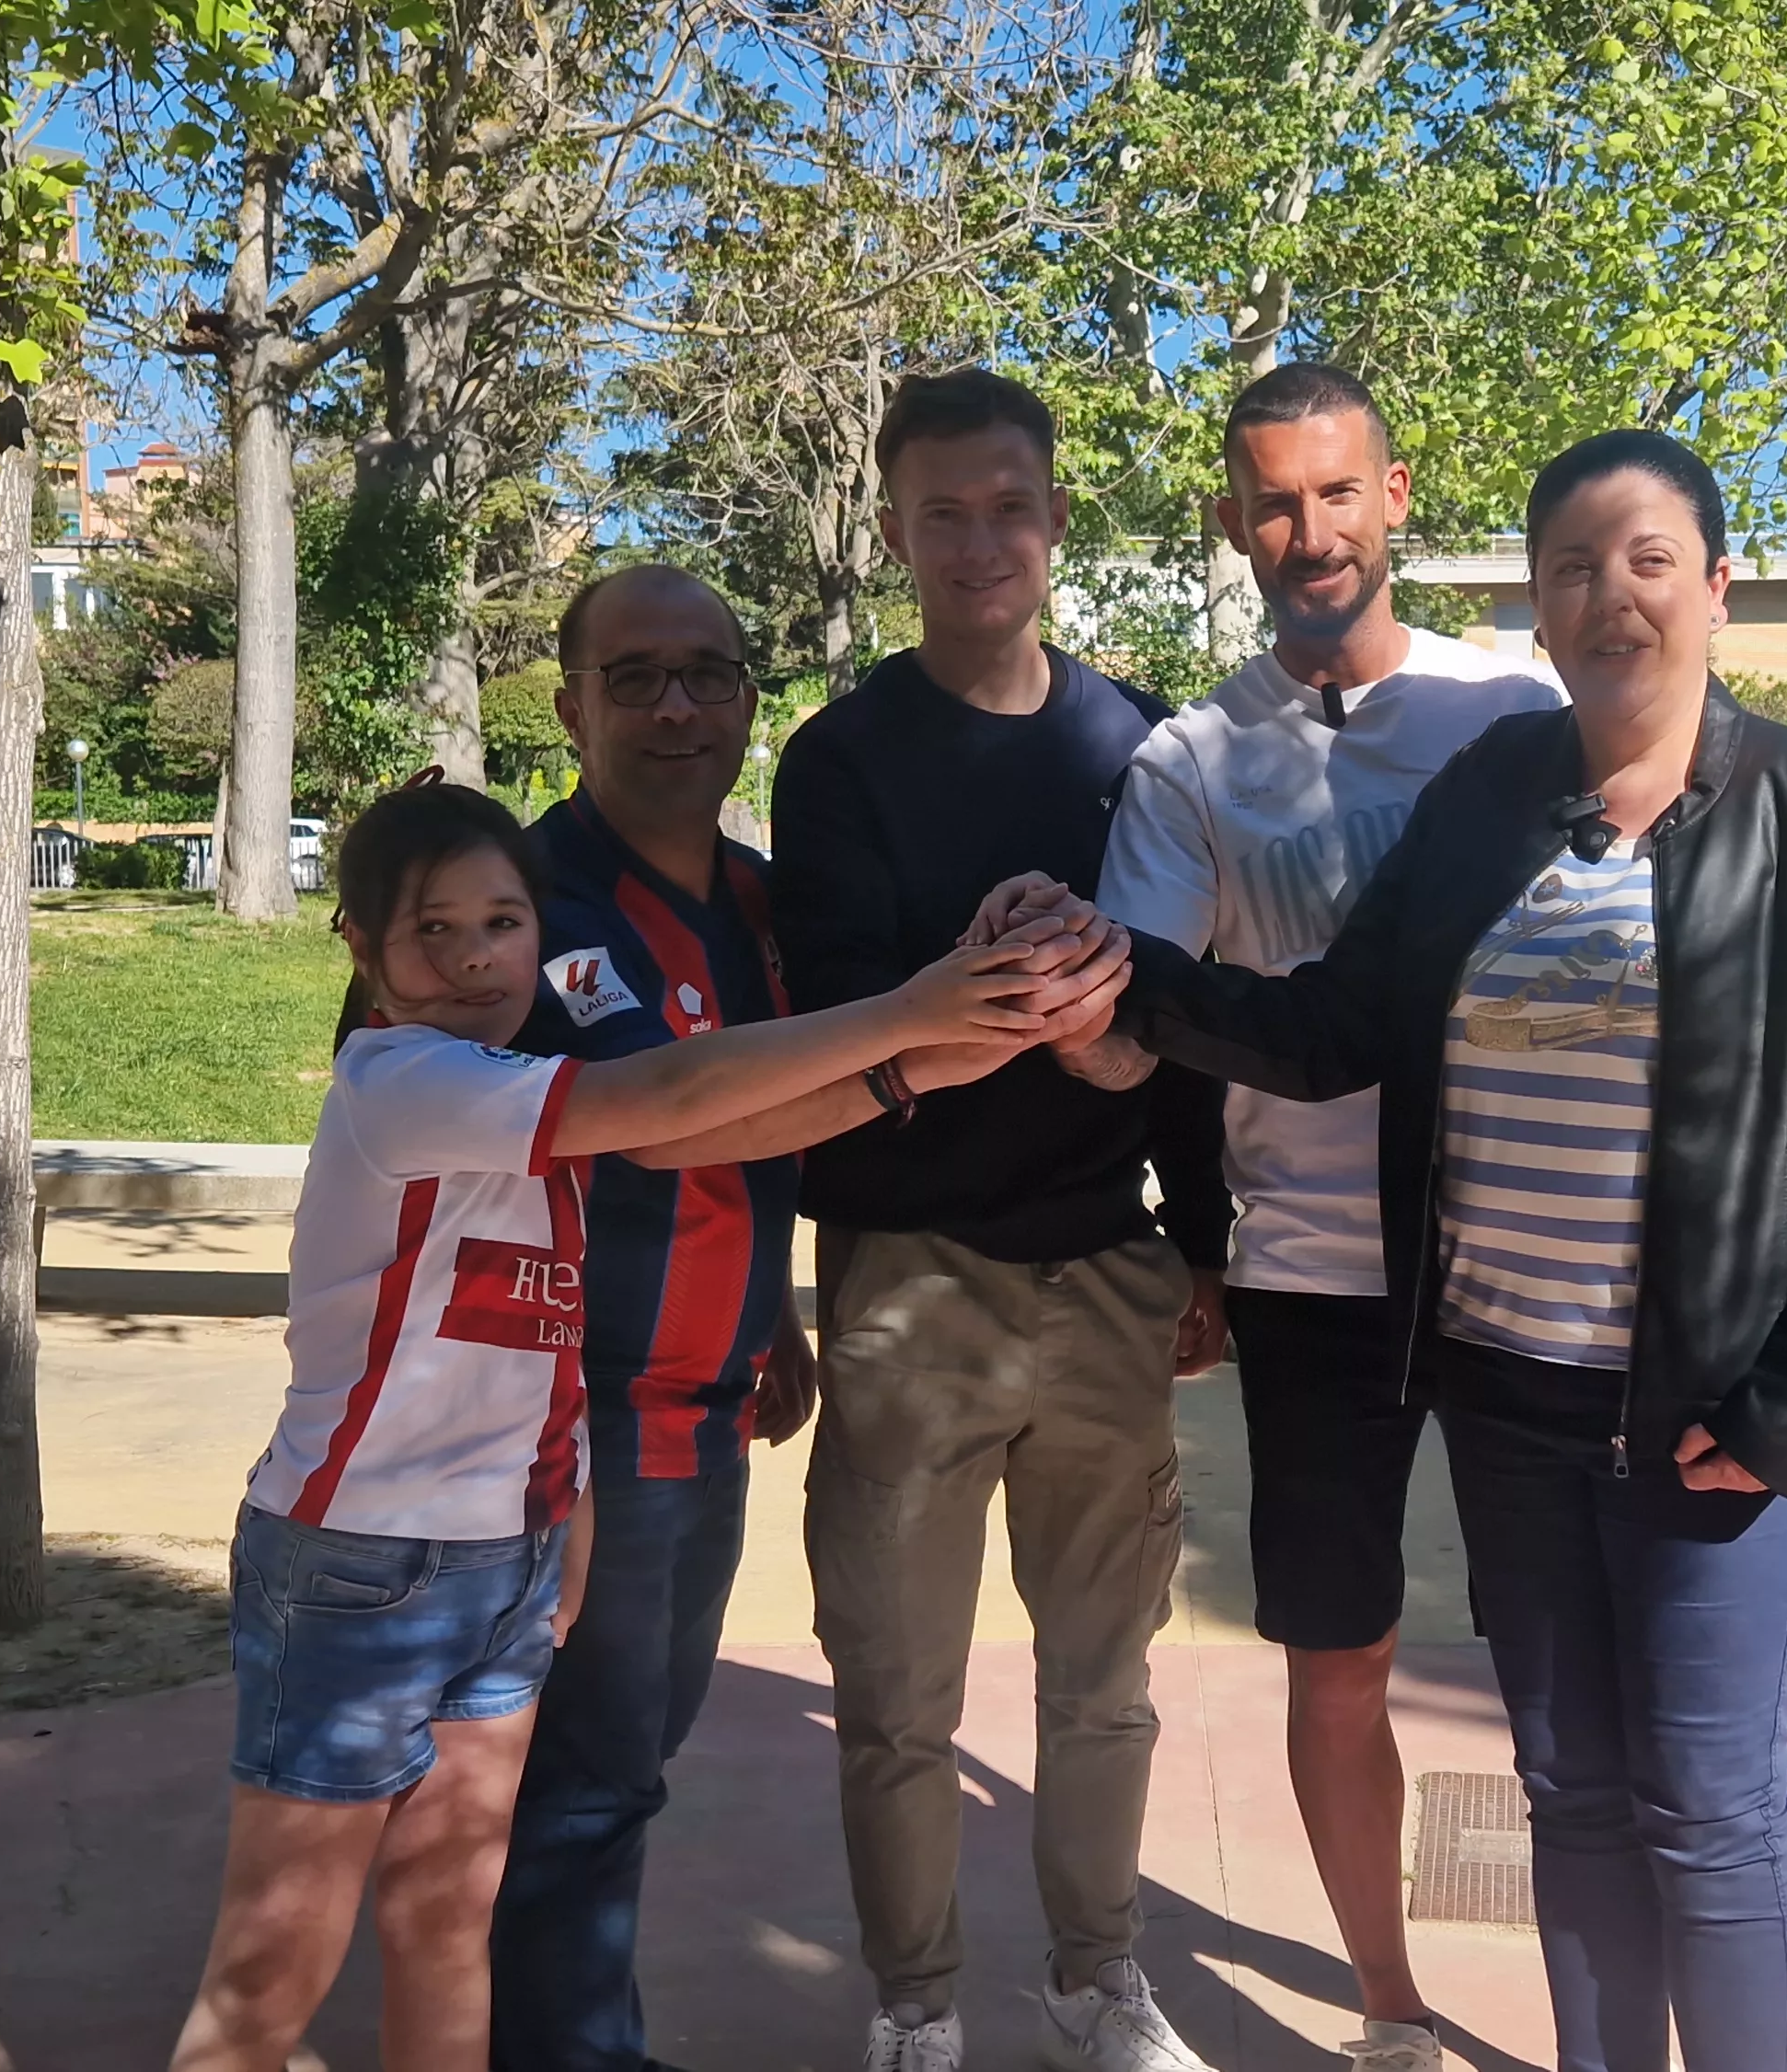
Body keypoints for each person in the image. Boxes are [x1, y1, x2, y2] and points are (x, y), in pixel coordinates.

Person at [1023, 429, 1787, 2072]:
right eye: (1576, 567)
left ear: (1718, 589)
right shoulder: (1492, 799)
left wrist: (1784, 1414)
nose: (1613, 597)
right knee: (1572, 1792)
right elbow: (1333, 1028)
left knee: (1708, 1808)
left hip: (1714, 1409)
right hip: (1514, 1388)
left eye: (1650, 561)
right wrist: (1127, 981)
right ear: (1537, 598)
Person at [167, 775, 1119, 2072]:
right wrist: (914, 1010)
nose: (470, 958)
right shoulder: (404, 1079)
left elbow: (709, 1137)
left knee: (450, 1923)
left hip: (504, 1558)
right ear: (362, 953)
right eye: (429, 931)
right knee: (273, 1961)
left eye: (499, 924)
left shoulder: (522, 1086)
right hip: (355, 1569)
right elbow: (673, 1101)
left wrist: (971, 1031)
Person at [485, 566, 1121, 2072]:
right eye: (634, 678)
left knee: (625, 1762)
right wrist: (918, 1040)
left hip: (699, 1411)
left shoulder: (755, 895)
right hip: (569, 1427)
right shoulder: (535, 899)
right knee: (580, 1783)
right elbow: (664, 1115)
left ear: (751, 701)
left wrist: (767, 1295)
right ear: (570, 703)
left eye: (708, 672)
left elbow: (761, 1110)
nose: (676, 706)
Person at [1084, 363, 1559, 2072]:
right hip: (1309, 1278)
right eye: (1274, 501)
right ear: (1235, 523)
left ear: (1396, 495)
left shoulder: (1513, 721)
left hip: (1519, 1264)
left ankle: (1603, 2002)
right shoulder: (1189, 759)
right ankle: (1388, 2006)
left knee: (1564, 1675)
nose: (1309, 531)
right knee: (1336, 1659)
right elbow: (1140, 1010)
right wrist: (1193, 1233)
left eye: (1336, 492)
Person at [767, 366, 1235, 2072]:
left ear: (1055, 518)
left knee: (1104, 1686)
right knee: (896, 1700)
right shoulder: (839, 761)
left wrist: (1203, 1238)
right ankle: (917, 2011)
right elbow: (833, 1019)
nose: (979, 541)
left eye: (1009, 506)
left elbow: (1184, 1023)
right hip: (911, 1281)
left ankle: (1099, 1985)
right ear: (893, 526)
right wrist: (981, 987)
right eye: (942, 511)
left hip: (1111, 1271)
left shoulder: (1142, 744)